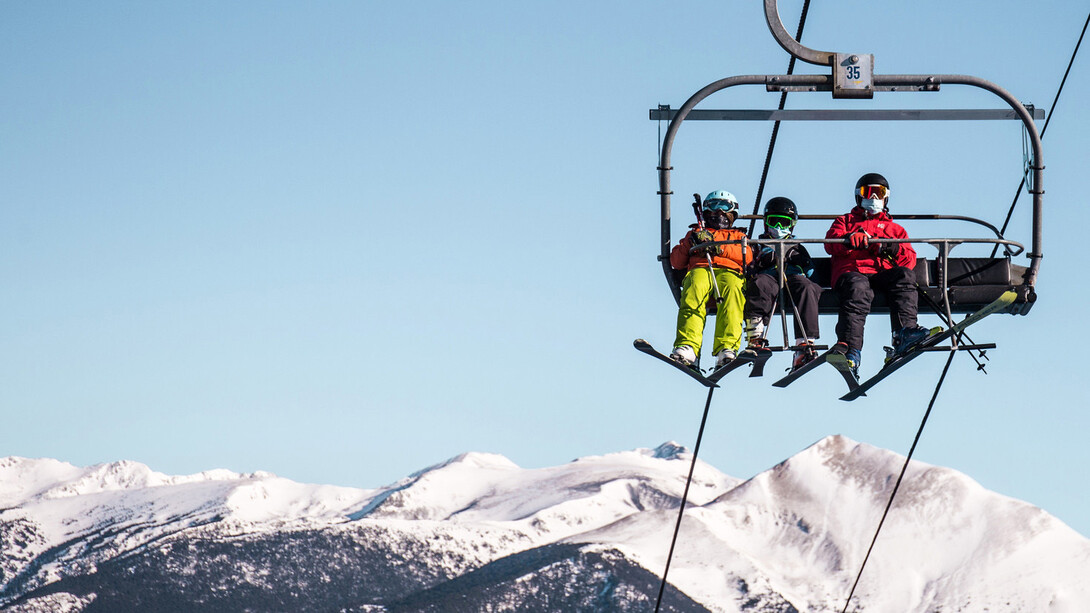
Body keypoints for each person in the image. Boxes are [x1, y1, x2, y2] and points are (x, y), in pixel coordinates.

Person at [824, 173, 933, 376]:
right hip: (853, 273)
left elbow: (908, 261)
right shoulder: (845, 221)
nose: (874, 198)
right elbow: (830, 243)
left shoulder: (895, 229)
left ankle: (904, 332)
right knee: (858, 289)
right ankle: (851, 349)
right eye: (868, 192)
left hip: (882, 275)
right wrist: (849, 239)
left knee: (904, 276)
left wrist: (888, 247)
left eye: (879, 193)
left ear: (886, 197)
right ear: (859, 196)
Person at [668, 190, 753, 369]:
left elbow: (747, 257)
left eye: (724, 208)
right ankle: (688, 346)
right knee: (694, 289)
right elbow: (676, 261)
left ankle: (727, 348)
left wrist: (719, 248)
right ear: (706, 211)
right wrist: (691, 242)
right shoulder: (696, 232)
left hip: (730, 272)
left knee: (733, 293)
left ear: (732, 214)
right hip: (701, 268)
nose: (719, 212)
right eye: (714, 207)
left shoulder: (738, 236)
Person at [740, 197, 823, 371]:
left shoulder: (797, 247)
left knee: (805, 287)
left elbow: (811, 275)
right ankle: (755, 335)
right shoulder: (758, 245)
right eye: (774, 221)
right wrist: (762, 262)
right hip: (769, 279)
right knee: (760, 284)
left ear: (792, 225)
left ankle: (804, 344)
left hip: (792, 280)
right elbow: (748, 268)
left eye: (783, 222)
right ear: (765, 223)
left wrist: (801, 266)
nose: (778, 228)